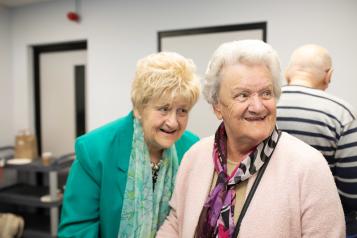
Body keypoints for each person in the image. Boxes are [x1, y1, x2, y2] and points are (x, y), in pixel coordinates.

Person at [157, 40, 345, 238]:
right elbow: (177, 223)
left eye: (266, 93)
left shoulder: (308, 167)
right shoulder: (195, 156)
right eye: (243, 95)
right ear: (217, 106)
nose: (257, 106)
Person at [58, 51, 201, 237]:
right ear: (139, 108)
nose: (173, 122)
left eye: (182, 110)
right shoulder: (95, 150)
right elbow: (76, 231)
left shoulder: (193, 149)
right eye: (163, 109)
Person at [276, 44, 357, 236]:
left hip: (268, 218)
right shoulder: (342, 114)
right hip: (323, 223)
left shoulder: (264, 105)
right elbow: (352, 192)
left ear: (287, 72)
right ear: (329, 75)